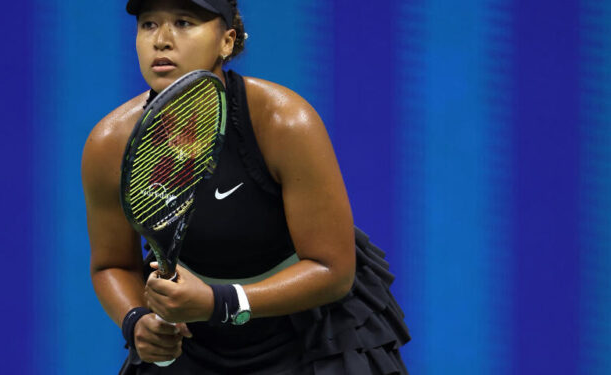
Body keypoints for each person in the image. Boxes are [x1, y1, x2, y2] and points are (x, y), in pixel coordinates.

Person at [81, 0, 411, 373]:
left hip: (310, 334)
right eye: (149, 25)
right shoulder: (110, 144)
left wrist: (219, 303)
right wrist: (137, 320)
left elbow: (332, 270)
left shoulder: (284, 122)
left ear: (227, 41)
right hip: (193, 335)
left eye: (185, 22)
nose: (162, 40)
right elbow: (112, 265)